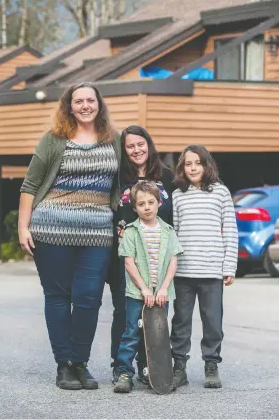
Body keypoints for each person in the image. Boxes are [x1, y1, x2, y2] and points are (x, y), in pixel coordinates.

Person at [18, 82, 121, 390]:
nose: (85, 105)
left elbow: (127, 178)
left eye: (91, 100)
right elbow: (30, 185)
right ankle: (64, 365)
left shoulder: (113, 139)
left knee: (89, 299)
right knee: (58, 297)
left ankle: (81, 363)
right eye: (79, 101)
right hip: (51, 229)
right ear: (69, 106)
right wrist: (23, 227)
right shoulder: (53, 139)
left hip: (98, 233)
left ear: (99, 105)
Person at [108, 125, 175, 384]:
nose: (137, 150)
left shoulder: (167, 176)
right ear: (124, 150)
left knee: (154, 313)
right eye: (130, 146)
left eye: (141, 144)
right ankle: (120, 367)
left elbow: (174, 217)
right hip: (126, 258)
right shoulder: (117, 178)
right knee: (125, 313)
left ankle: (150, 369)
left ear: (149, 144)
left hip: (157, 255)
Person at [170, 144, 238, 389]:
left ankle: (211, 364)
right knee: (180, 322)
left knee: (212, 322)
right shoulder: (178, 195)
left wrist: (229, 266)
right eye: (188, 164)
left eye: (197, 163)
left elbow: (230, 230)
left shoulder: (220, 193)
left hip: (211, 271)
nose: (193, 168)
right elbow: (174, 233)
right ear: (182, 168)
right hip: (184, 272)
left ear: (207, 165)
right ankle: (179, 366)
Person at [113, 181, 183, 393]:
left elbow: (173, 261)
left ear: (159, 203)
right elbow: (128, 262)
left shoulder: (168, 231)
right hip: (137, 293)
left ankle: (155, 373)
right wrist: (144, 289)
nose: (147, 207)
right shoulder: (132, 231)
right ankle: (125, 373)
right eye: (141, 204)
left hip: (161, 293)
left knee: (159, 335)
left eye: (151, 202)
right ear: (134, 208)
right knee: (132, 332)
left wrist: (162, 288)